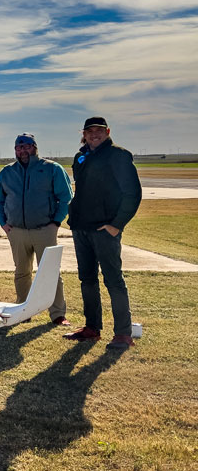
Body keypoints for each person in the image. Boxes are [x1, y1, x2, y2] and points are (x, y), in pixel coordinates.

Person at [63, 117, 142, 349]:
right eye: (90, 131)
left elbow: (132, 193)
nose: (94, 134)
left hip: (105, 229)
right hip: (82, 228)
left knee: (113, 280)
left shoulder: (118, 155)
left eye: (99, 131)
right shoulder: (81, 156)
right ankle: (92, 327)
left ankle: (123, 334)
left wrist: (117, 224)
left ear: (107, 132)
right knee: (87, 279)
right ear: (84, 134)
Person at [0, 133, 73, 325]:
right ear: (15, 150)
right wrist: (4, 223)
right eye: (19, 147)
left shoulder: (52, 169)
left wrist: (56, 222)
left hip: (44, 229)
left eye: (27, 146)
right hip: (17, 231)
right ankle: (23, 310)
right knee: (21, 271)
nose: (23, 150)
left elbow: (65, 197)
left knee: (51, 272)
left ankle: (58, 313)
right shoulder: (7, 172)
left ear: (35, 147)